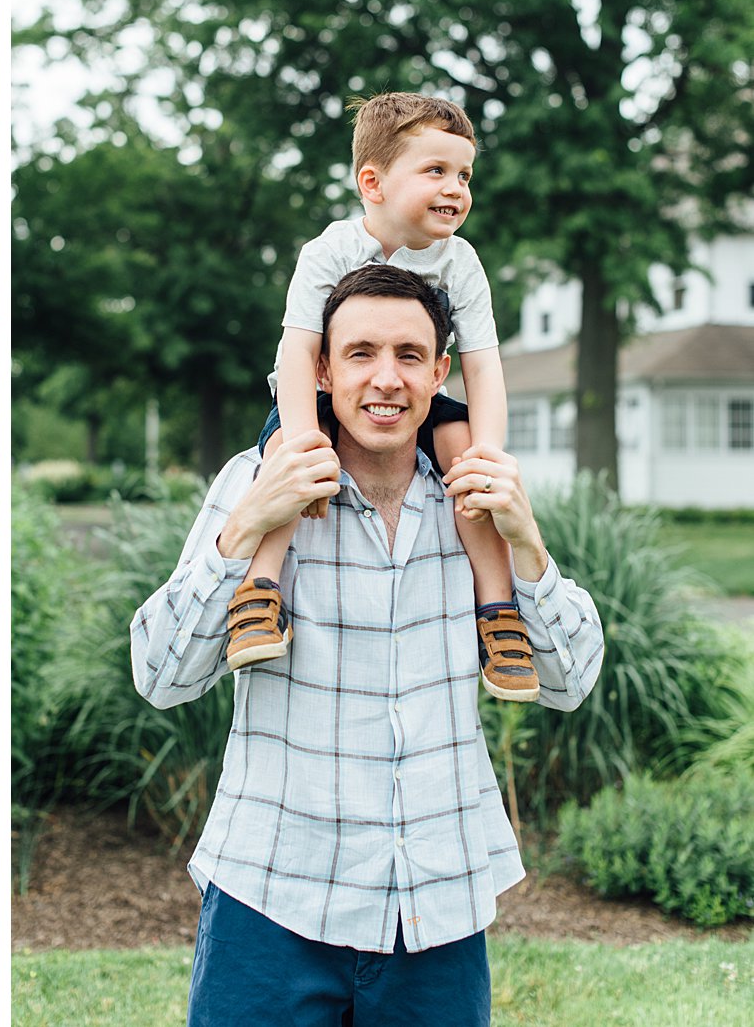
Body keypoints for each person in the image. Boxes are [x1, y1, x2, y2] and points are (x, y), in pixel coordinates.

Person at [131, 265, 605, 1026]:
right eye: (360, 353)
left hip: (436, 908)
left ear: (442, 372)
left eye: (410, 356)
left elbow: (572, 680)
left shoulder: (480, 497)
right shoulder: (258, 482)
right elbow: (159, 674)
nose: (386, 379)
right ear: (320, 368)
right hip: (272, 897)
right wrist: (246, 524)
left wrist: (530, 546)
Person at [228, 93, 540, 704]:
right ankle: (260, 592)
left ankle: (499, 612)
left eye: (464, 174)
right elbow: (296, 353)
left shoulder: (461, 262)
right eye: (436, 171)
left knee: (467, 458)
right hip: (323, 399)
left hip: (419, 403)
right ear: (372, 182)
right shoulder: (330, 252)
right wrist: (300, 443)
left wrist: (490, 455)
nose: (455, 187)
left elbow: (482, 365)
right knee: (286, 466)